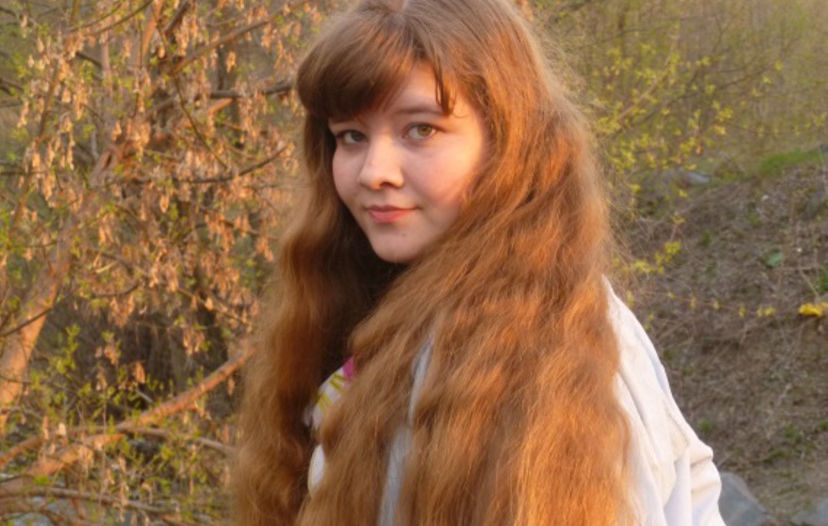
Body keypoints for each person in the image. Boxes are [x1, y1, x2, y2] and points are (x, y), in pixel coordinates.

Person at [232, 0, 726, 524]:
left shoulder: (541, 351)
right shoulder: (386, 311)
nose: (374, 171)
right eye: (351, 136)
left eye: (421, 129)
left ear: (507, 144)